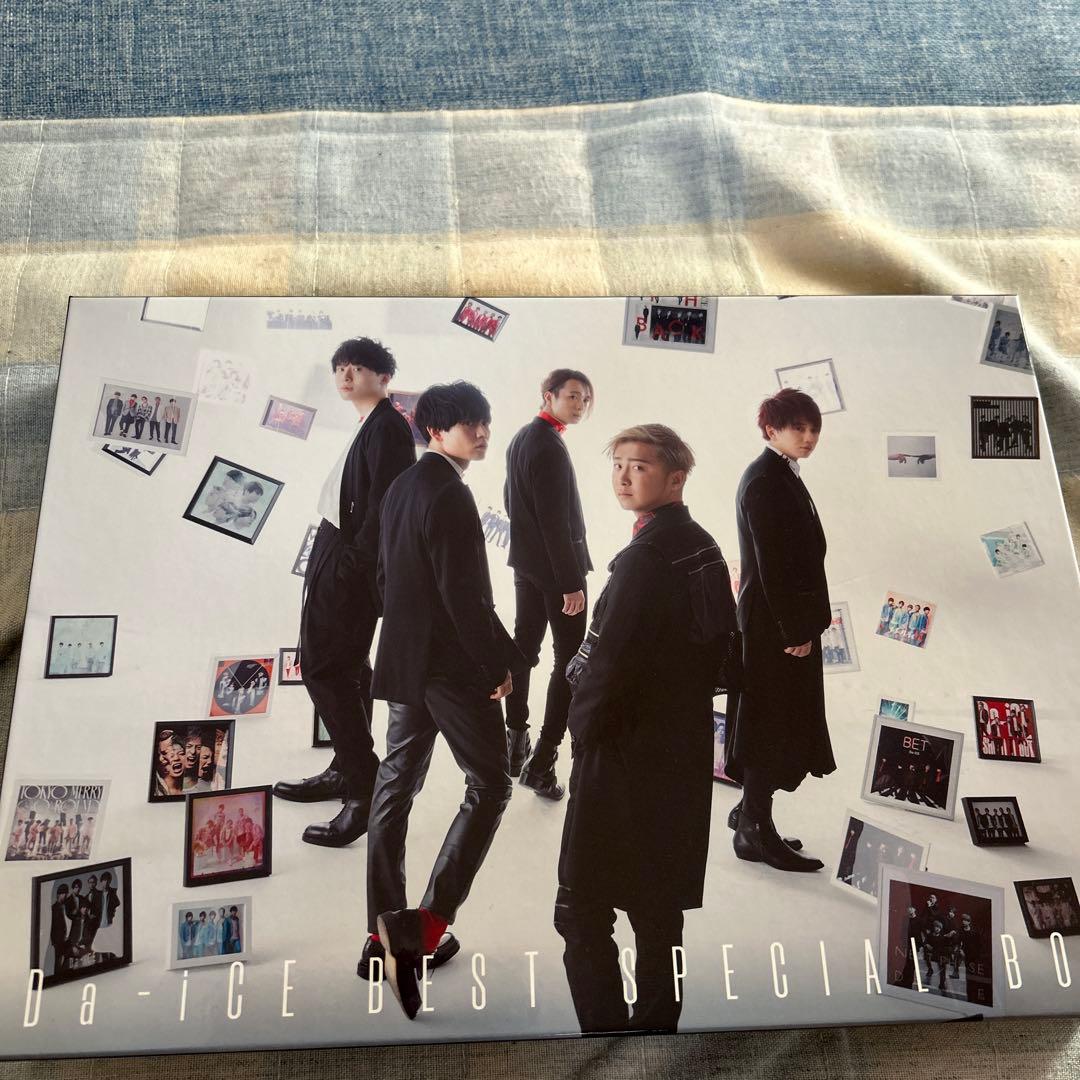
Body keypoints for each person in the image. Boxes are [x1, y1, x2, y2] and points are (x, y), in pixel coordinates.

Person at [554, 424, 735, 1034]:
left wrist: (581, 738)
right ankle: (657, 1031)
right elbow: (723, 654)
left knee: (580, 907)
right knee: (658, 907)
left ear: (676, 478)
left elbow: (606, 667)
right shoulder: (702, 545)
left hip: (624, 752)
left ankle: (606, 1038)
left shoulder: (645, 559)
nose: (624, 477)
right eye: (618, 465)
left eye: (640, 467)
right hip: (680, 747)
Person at [365, 381, 524, 1019]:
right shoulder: (450, 493)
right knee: (491, 785)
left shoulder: (401, 487)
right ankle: (425, 927)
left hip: (404, 662)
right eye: (468, 423)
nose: (481, 432)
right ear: (435, 430)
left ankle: (380, 933)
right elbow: (465, 596)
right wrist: (498, 664)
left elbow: (385, 578)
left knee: (393, 787)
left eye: (484, 421)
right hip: (452, 669)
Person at [273, 338, 417, 848]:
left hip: (350, 562)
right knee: (348, 669)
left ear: (384, 377)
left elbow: (384, 507)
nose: (346, 375)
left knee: (324, 669)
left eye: (357, 368)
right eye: (340, 368)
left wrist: (352, 566)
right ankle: (344, 769)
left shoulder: (388, 426)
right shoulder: (371, 423)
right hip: (337, 551)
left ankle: (362, 786)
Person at [725, 388, 834, 872]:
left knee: (776, 720)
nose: (808, 437)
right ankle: (753, 829)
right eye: (798, 428)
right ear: (771, 430)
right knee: (771, 724)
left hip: (778, 622)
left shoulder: (780, 472)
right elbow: (773, 566)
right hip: (775, 627)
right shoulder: (766, 480)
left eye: (814, 429)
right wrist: (794, 630)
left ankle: (749, 813)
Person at [502, 369, 595, 795]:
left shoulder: (522, 438)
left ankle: (514, 742)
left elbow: (511, 502)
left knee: (524, 649)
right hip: (558, 573)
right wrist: (570, 582)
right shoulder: (549, 445)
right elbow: (555, 523)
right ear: (548, 395)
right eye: (573, 396)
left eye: (585, 399)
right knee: (571, 661)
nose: (580, 405)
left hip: (527, 566)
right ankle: (542, 760)